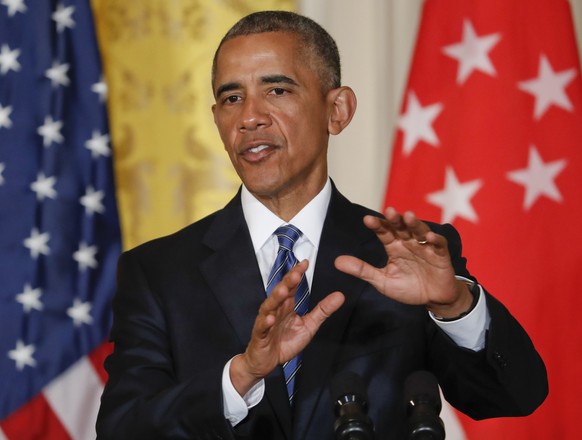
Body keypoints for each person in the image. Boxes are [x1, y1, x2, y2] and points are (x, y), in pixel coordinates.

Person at [96, 10, 547, 440]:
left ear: (338, 110)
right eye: (232, 98)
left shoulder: (404, 256)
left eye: (277, 90)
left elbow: (515, 396)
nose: (249, 117)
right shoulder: (158, 271)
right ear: (217, 119)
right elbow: (122, 428)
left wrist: (454, 304)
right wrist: (242, 376)